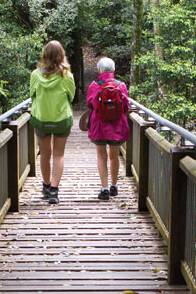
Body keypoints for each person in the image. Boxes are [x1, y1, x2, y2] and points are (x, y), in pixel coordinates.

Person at [29, 40, 76, 204]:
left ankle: (46, 186)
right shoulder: (67, 76)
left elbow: (32, 95)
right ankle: (55, 191)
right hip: (62, 120)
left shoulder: (35, 75)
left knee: (45, 153)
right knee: (58, 154)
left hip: (41, 119)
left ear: (44, 55)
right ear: (61, 55)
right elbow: (72, 96)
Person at [87, 57, 129, 200]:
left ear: (98, 70)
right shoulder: (121, 85)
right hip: (117, 126)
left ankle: (104, 189)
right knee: (114, 156)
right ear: (114, 70)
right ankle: (114, 186)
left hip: (99, 126)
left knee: (101, 156)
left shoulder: (94, 85)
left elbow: (90, 104)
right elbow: (126, 106)